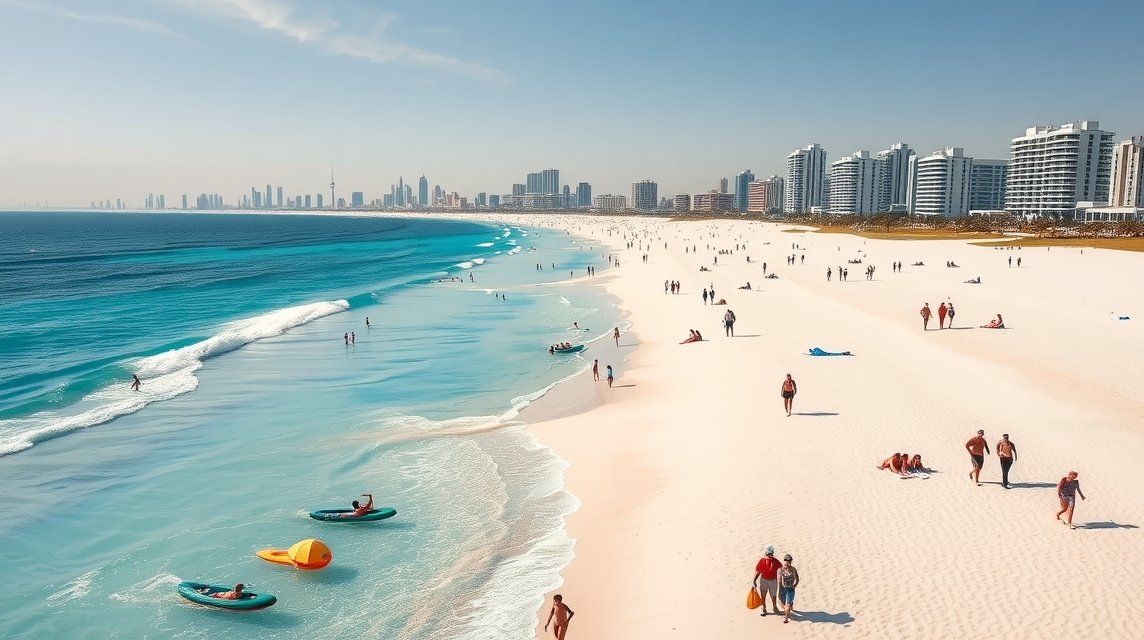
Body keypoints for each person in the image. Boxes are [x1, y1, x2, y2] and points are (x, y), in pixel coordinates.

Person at [753, 546, 783, 616]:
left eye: (771, 554)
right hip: (764, 580)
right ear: (765, 554)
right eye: (768, 554)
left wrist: (782, 578)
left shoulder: (775, 561)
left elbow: (781, 570)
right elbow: (759, 571)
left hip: (773, 581)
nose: (770, 556)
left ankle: (775, 608)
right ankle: (764, 608)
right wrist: (754, 580)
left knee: (773, 595)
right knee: (763, 595)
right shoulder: (762, 561)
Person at [777, 554, 800, 624]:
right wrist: (779, 590)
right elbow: (779, 581)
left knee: (787, 605)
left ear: (790, 562)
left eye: (788, 561)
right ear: (784, 560)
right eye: (786, 560)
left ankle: (786, 617)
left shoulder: (793, 570)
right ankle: (788, 608)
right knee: (782, 603)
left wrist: (794, 585)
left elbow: (797, 579)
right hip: (782, 589)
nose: (787, 562)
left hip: (790, 589)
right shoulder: (780, 570)